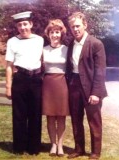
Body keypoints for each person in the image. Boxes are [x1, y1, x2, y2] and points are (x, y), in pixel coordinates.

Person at [66, 12, 107, 160]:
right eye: (72, 27)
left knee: (94, 121)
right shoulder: (71, 44)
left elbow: (100, 71)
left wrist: (96, 93)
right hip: (74, 86)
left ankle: (95, 152)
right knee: (76, 119)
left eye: (77, 26)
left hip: (91, 87)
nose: (75, 29)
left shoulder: (96, 44)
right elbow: (69, 67)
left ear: (85, 25)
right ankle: (79, 149)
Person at [5, 11, 44, 155]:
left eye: (25, 24)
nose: (23, 27)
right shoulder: (12, 41)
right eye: (20, 25)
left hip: (36, 79)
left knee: (35, 114)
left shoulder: (40, 40)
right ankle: (19, 147)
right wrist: (8, 86)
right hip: (20, 79)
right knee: (19, 114)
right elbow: (9, 66)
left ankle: (34, 148)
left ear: (31, 24)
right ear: (17, 27)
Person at [42, 19, 69, 157]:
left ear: (61, 33)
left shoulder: (66, 49)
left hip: (62, 83)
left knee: (61, 116)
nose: (55, 35)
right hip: (48, 84)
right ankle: (53, 144)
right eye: (52, 32)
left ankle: (60, 145)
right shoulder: (43, 50)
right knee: (50, 117)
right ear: (48, 34)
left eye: (57, 32)